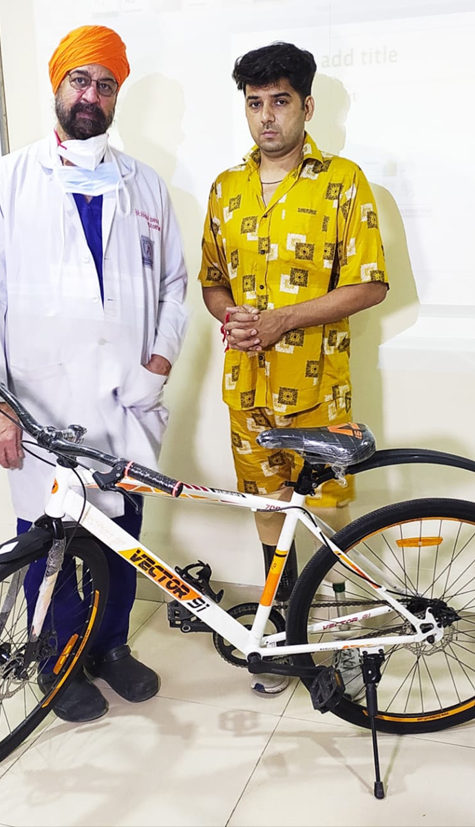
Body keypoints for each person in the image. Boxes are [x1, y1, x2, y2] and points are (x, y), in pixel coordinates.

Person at [0, 25, 188, 722]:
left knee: (125, 535)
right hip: (39, 404)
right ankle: (59, 660)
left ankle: (111, 646)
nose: (91, 96)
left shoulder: (146, 186)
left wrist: (156, 364)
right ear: (57, 87)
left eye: (106, 84)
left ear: (118, 95)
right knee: (50, 538)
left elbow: (175, 285)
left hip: (127, 402)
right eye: (79, 81)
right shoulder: (6, 181)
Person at [199, 42, 388, 695]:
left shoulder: (343, 181)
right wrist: (233, 316)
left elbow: (369, 285)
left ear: (307, 105)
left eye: (280, 101)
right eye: (254, 104)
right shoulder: (226, 188)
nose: (267, 118)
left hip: (313, 382)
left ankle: (321, 631)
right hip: (245, 385)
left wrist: (284, 318)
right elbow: (212, 282)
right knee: (265, 505)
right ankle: (280, 635)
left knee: (312, 509)